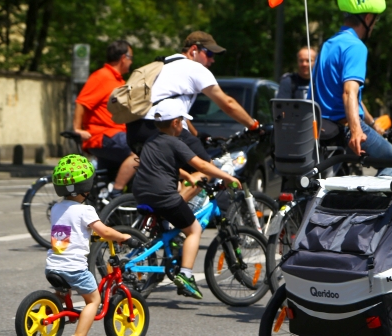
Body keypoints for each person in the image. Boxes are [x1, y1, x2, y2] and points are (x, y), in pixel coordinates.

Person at [131, 98, 242, 300]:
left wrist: (186, 176)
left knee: (173, 222)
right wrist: (228, 177)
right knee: (194, 230)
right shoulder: (176, 142)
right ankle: (186, 275)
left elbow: (162, 164)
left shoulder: (152, 141)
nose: (183, 125)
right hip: (163, 195)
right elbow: (202, 165)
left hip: (141, 192)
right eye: (182, 121)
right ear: (175, 123)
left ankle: (169, 247)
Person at [45, 154, 134, 336]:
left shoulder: (56, 208)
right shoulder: (86, 210)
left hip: (52, 265)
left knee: (61, 294)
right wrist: (121, 236)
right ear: (86, 186)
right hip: (74, 269)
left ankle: (46, 313)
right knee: (94, 300)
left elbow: (68, 231)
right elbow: (104, 232)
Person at [127, 31, 260, 161]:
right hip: (161, 128)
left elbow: (176, 111)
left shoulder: (164, 64)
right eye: (209, 53)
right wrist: (253, 126)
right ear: (193, 50)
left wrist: (197, 135)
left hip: (135, 129)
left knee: (171, 175)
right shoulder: (194, 68)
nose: (212, 60)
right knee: (206, 171)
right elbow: (228, 104)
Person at [311, 0, 392, 176]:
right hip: (345, 126)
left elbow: (352, 97)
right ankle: (378, 203)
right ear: (368, 18)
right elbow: (348, 92)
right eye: (375, 21)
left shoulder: (329, 44)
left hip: (323, 126)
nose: (374, 26)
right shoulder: (356, 47)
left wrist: (371, 122)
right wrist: (356, 130)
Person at [73, 40, 138, 198]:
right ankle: (116, 193)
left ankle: (109, 206)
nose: (131, 62)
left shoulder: (118, 80)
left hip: (114, 136)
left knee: (111, 174)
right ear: (123, 57)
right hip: (104, 136)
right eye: (131, 58)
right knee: (140, 154)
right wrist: (77, 129)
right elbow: (82, 102)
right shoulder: (102, 76)